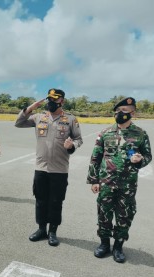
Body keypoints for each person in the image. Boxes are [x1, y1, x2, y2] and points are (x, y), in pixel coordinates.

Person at [87, 97, 152, 263]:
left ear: (133, 113)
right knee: (104, 213)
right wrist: (94, 180)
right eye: (118, 110)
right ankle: (103, 244)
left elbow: (148, 155)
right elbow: (96, 157)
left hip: (128, 184)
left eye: (125, 110)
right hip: (106, 183)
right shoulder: (105, 133)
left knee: (125, 215)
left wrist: (140, 161)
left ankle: (118, 246)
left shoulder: (140, 133)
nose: (120, 113)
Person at [15, 89, 83, 246]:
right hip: (41, 167)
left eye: (54, 99)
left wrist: (72, 145)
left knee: (56, 201)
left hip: (59, 169)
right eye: (49, 99)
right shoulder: (39, 117)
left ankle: (53, 232)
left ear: (62, 101)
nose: (50, 102)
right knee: (40, 200)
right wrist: (30, 107)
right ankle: (41, 229)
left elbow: (79, 139)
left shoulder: (71, 119)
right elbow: (19, 123)